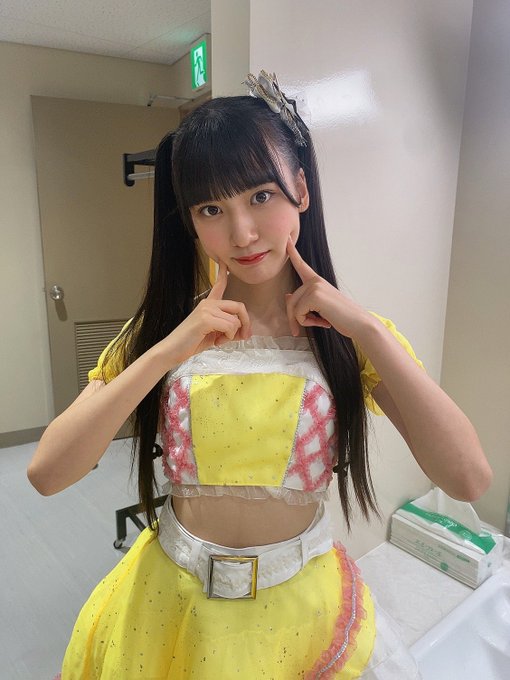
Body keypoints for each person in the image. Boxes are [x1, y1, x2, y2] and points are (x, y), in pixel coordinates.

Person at [29, 71, 492, 679]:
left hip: (299, 606)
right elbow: (47, 473)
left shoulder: (352, 339)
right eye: (212, 209)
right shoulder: (164, 332)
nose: (242, 233)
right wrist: (166, 352)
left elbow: (468, 478)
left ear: (300, 188)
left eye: (261, 196)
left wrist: (369, 330)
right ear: (190, 221)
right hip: (171, 604)